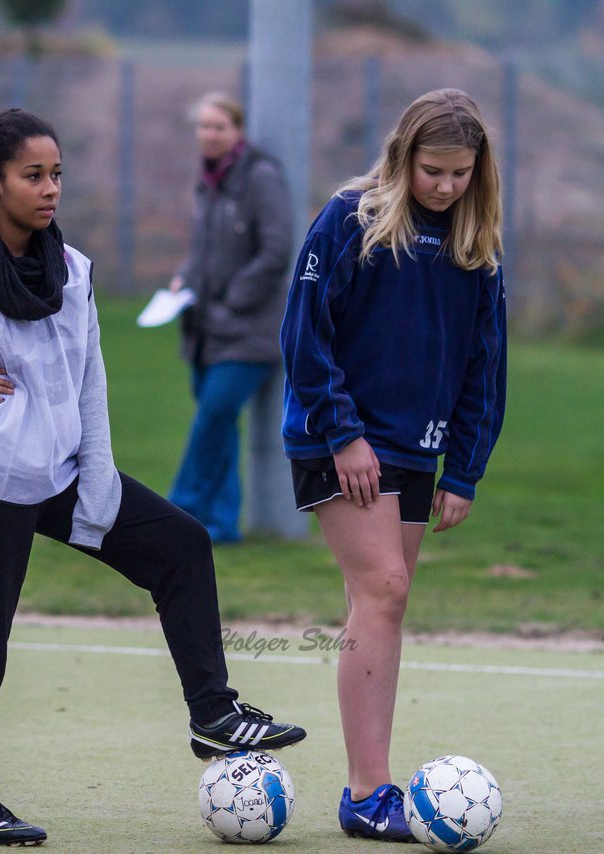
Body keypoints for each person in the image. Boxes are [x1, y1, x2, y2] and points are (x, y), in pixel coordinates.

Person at [0, 107, 307, 847]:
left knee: (181, 545)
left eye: (56, 174)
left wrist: (98, 482)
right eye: (32, 176)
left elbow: (90, 383)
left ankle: (214, 716)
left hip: (60, 470)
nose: (50, 188)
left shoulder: (75, 270)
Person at [279, 88, 506, 843]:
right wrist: (343, 433)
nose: (444, 187)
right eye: (432, 170)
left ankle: (367, 785)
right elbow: (304, 334)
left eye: (460, 173)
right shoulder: (350, 219)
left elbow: (486, 366)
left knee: (383, 604)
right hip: (339, 440)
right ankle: (368, 792)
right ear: (403, 157)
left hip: (419, 448)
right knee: (385, 587)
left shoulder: (480, 251)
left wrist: (464, 469)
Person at [165, 92, 293, 543]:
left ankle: (179, 512)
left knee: (213, 417)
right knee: (219, 428)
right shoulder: (208, 179)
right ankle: (219, 526)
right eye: (203, 126)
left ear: (238, 130)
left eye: (220, 126)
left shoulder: (260, 176)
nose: (210, 135)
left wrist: (233, 301)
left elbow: (277, 251)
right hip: (205, 329)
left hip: (250, 331)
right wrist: (183, 279)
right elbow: (202, 251)